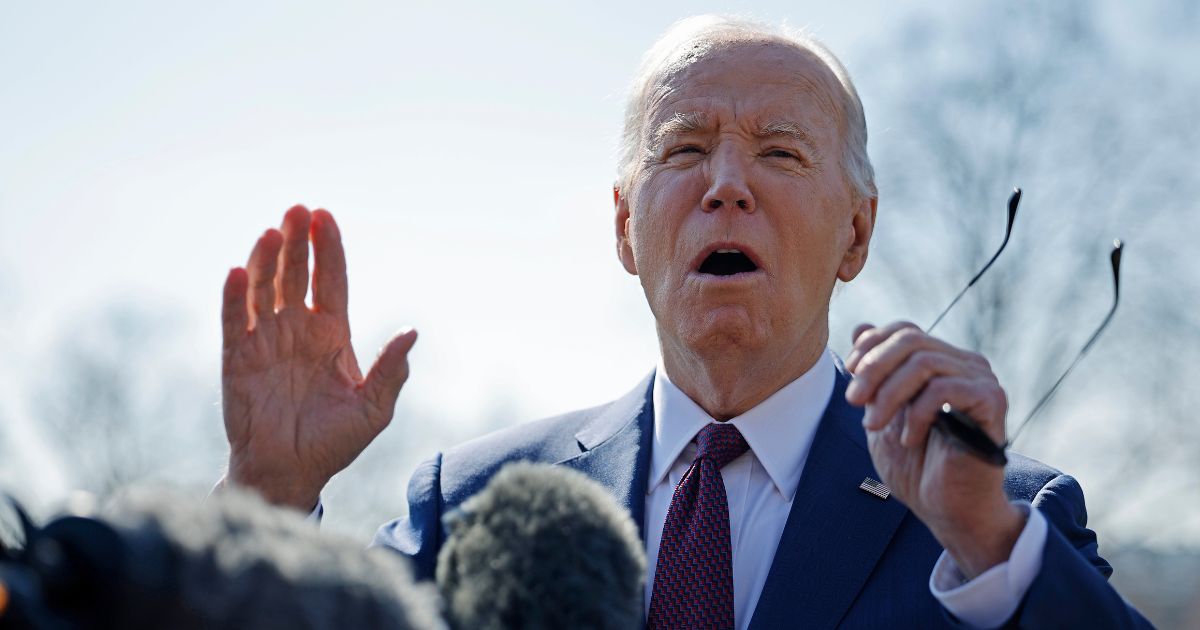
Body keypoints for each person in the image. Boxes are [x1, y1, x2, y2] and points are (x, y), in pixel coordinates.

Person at [216, 15, 1149, 629]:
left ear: (856, 232)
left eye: (780, 153)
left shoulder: (998, 516)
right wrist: (267, 496)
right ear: (626, 228)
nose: (727, 185)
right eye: (686, 149)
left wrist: (987, 540)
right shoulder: (471, 506)